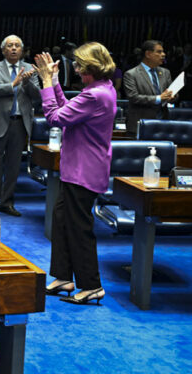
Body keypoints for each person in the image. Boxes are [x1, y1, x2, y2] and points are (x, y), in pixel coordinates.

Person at [33, 43, 117, 305]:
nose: (77, 69)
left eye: (79, 65)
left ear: (92, 66)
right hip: (79, 169)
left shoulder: (95, 95)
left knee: (79, 228)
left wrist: (46, 82)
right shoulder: (101, 89)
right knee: (61, 221)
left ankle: (91, 286)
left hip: (84, 171)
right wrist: (55, 82)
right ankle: (63, 277)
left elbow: (55, 117)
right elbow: (69, 109)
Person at [0, 35, 41, 217]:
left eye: (17, 46)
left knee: (13, 167)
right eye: (10, 45)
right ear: (3, 50)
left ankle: (7, 203)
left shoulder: (30, 69)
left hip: (19, 123)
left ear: (22, 50)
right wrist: (11, 85)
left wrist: (26, 82)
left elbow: (38, 95)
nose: (13, 48)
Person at [122, 40, 174, 135]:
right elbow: (133, 97)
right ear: (148, 54)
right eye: (159, 52)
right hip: (140, 125)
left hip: (163, 123)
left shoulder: (165, 72)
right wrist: (159, 98)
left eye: (163, 51)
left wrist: (172, 96)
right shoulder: (131, 74)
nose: (163, 54)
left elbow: (172, 92)